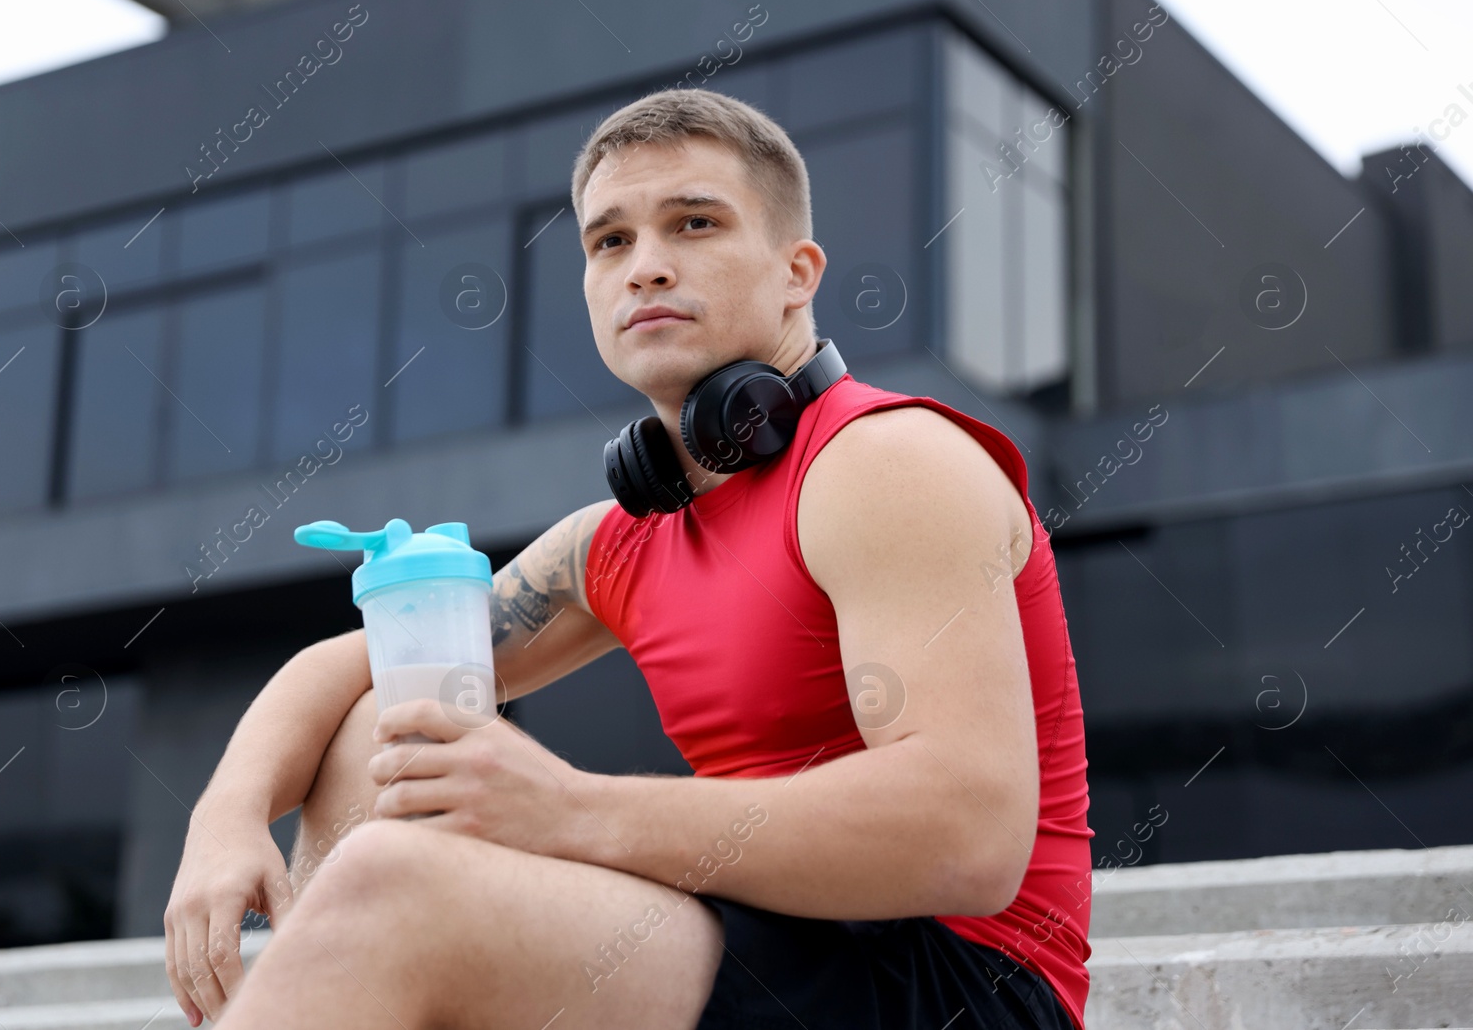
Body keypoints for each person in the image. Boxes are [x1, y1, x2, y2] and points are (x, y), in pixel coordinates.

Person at [165, 86, 1093, 1030]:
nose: (646, 266)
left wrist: (573, 810)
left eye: (694, 223)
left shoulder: (886, 463)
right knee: (383, 728)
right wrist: (224, 819)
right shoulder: (617, 538)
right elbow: (346, 663)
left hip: (961, 985)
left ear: (797, 273)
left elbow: (971, 836)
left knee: (395, 885)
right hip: (768, 942)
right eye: (610, 240)